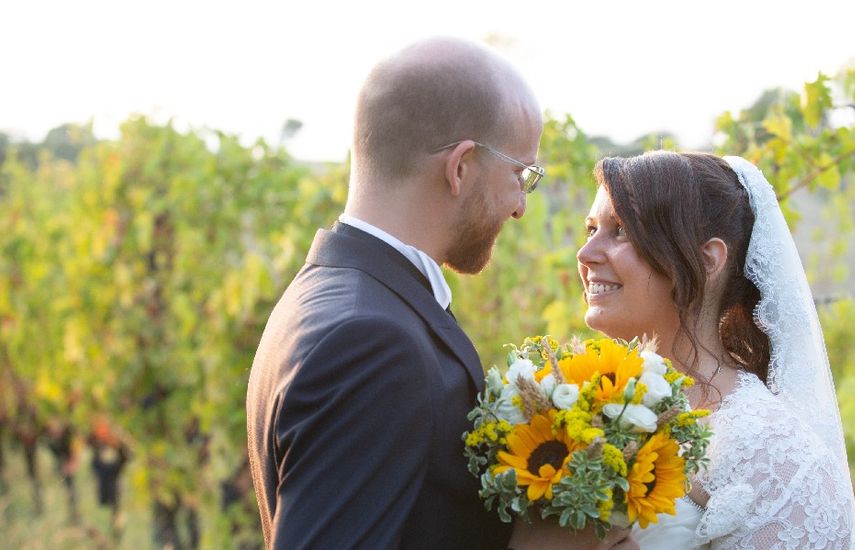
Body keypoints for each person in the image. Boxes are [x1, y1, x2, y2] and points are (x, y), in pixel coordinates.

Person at [246, 37, 635, 550]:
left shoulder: (332, 297)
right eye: (521, 174)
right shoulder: (371, 342)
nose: (520, 207)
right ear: (460, 167)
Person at [576, 151, 855, 548]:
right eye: (591, 229)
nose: (586, 254)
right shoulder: (586, 407)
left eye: (621, 230)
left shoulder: (777, 459)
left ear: (707, 260)